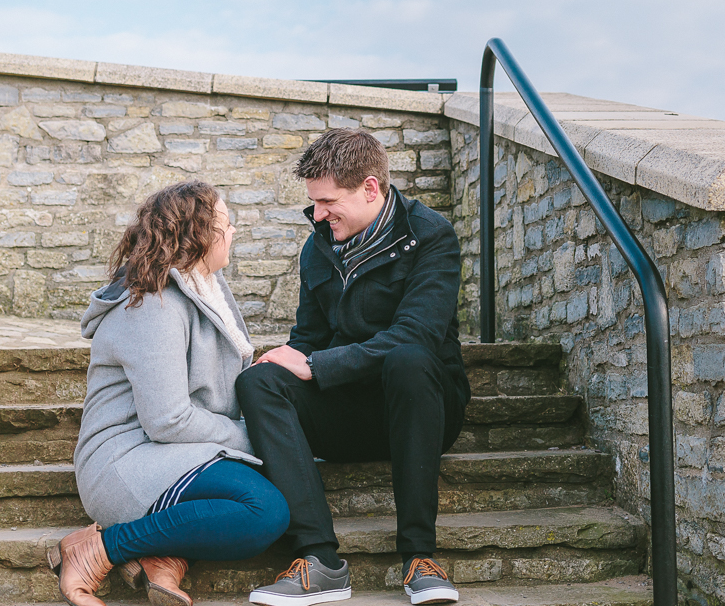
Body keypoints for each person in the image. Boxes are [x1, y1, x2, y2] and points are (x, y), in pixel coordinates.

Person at [236, 128, 470, 606]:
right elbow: (308, 341)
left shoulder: (430, 236)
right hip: (348, 414)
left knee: (407, 358)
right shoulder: (317, 250)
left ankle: (419, 557)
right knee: (259, 381)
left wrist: (317, 366)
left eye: (327, 202)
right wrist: (287, 362)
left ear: (369, 188)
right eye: (315, 204)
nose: (318, 215)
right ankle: (319, 560)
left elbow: (417, 335)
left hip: (421, 410)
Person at [49, 180, 289, 606]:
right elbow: (168, 419)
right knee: (264, 512)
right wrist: (257, 437)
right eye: (227, 224)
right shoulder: (151, 307)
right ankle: (98, 549)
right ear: (198, 236)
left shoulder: (204, 290)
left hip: (175, 454)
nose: (233, 232)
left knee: (278, 482)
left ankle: (162, 553)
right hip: (125, 462)